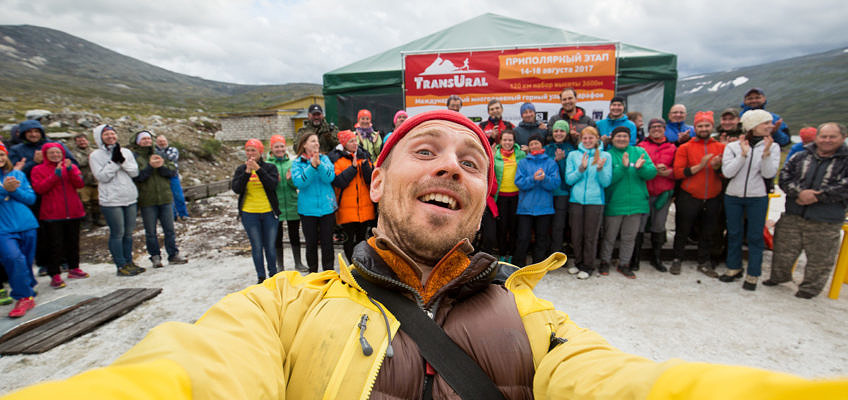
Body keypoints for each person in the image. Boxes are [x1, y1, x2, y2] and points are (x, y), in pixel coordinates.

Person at [5, 110, 847, 399]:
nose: (452, 165)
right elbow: (189, 371)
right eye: (427, 152)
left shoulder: (536, 316)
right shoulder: (280, 308)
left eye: (472, 161)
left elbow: (629, 383)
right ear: (380, 177)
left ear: (484, 197)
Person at [764, 122, 848, 299]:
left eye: (832, 137)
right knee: (783, 250)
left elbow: (844, 186)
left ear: (843, 138)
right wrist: (799, 193)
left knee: (820, 258)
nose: (826, 140)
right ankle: (778, 277)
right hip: (794, 212)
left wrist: (819, 196)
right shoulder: (800, 156)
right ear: (816, 137)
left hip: (826, 218)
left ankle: (809, 289)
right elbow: (785, 176)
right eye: (823, 136)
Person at [717, 110, 780, 291]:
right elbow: (728, 172)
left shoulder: (772, 147)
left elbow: (768, 174)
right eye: (765, 123)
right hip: (733, 196)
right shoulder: (734, 147)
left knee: (754, 236)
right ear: (753, 125)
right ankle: (733, 267)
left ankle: (753, 273)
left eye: (770, 123)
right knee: (734, 233)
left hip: (757, 197)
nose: (770, 126)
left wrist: (766, 153)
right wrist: (743, 156)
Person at [671, 111, 725, 276]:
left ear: (712, 127)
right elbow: (678, 172)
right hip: (689, 195)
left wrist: (717, 167)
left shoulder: (721, 147)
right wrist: (701, 166)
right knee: (682, 230)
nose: (703, 128)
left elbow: (727, 173)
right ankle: (677, 259)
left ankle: (704, 260)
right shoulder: (685, 147)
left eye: (706, 125)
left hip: (713, 196)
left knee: (709, 231)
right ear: (694, 128)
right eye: (700, 126)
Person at [30, 143, 90, 289]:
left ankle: (74, 268)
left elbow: (79, 184)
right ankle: (54, 274)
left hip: (73, 210)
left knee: (73, 242)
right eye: (52, 153)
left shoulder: (71, 167)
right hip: (52, 213)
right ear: (45, 155)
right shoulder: (38, 169)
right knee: (54, 245)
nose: (55, 155)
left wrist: (69, 170)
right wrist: (55, 175)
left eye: (58, 153)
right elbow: (40, 188)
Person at [599, 127, 657, 278]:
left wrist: (641, 168)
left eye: (625, 136)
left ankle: (624, 263)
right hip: (615, 202)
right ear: (613, 138)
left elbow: (652, 173)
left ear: (629, 138)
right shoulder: (608, 155)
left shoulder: (639, 152)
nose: (621, 139)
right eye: (618, 136)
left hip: (636, 203)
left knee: (629, 237)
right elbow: (608, 180)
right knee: (609, 236)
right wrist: (623, 168)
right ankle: (605, 261)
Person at [90, 124, 144, 276]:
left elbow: (134, 172)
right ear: (100, 137)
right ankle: (120, 265)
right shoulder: (95, 156)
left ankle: (129, 261)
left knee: (128, 232)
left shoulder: (125, 151)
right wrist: (114, 163)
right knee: (117, 232)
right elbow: (102, 177)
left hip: (129, 196)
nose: (111, 137)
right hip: (111, 200)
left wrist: (122, 160)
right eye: (106, 135)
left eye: (113, 134)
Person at [130, 130, 188, 268]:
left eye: (149, 139)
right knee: (151, 231)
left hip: (165, 197)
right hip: (147, 199)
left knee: (169, 229)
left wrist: (161, 166)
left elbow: (172, 171)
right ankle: (155, 256)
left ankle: (173, 254)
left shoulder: (160, 153)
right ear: (138, 141)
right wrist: (150, 167)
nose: (147, 141)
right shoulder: (135, 157)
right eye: (144, 139)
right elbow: (138, 176)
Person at [565, 126, 612, 279]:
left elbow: (606, 182)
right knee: (576, 235)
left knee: (590, 235)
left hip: (595, 201)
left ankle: (588, 265)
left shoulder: (605, 155)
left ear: (597, 139)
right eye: (585, 138)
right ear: (581, 139)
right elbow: (569, 179)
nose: (588, 141)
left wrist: (600, 169)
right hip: (576, 200)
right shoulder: (573, 155)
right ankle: (578, 262)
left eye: (591, 138)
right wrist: (581, 169)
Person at [231, 139, 280, 284]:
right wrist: (247, 172)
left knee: (270, 246)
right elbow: (237, 189)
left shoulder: (270, 167)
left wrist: (258, 169)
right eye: (248, 150)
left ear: (260, 152)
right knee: (257, 246)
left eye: (254, 150)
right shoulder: (241, 169)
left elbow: (272, 185)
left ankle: (273, 274)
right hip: (249, 213)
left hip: (268, 212)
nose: (250, 153)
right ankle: (261, 276)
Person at [0, 142, 38, 317]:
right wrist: (3, 191)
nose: (0, 158)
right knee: (13, 258)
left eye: (1, 154)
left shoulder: (17, 174)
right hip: (3, 228)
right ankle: (23, 296)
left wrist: (13, 191)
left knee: (26, 260)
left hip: (27, 224)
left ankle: (27, 287)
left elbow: (30, 199)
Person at [292, 131, 337, 273]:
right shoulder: (297, 163)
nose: (316, 144)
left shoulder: (325, 159)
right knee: (310, 244)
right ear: (304, 144)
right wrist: (311, 167)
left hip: (327, 209)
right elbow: (299, 182)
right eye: (312, 141)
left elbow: (330, 178)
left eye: (317, 141)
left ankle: (328, 274)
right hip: (308, 211)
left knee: (327, 244)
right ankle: (313, 273)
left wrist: (319, 165)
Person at [512, 135, 559, 267]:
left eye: (536, 143)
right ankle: (518, 265)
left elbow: (555, 184)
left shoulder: (551, 163)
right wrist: (533, 179)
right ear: (529, 147)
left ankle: (538, 265)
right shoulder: (523, 163)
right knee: (523, 238)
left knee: (541, 238)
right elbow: (519, 183)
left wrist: (544, 179)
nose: (534, 146)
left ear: (542, 145)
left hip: (544, 208)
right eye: (531, 144)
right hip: (525, 208)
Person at [329, 130, 375, 263]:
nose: (354, 143)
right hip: (346, 207)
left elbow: (371, 179)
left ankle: (362, 265)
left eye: (355, 140)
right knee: (349, 239)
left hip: (364, 206)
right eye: (351, 141)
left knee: (362, 239)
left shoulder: (364, 155)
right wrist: (353, 168)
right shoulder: (336, 159)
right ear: (344, 144)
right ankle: (351, 264)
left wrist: (365, 166)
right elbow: (338, 181)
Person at [638, 118, 676, 272]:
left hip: (663, 192)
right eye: (653, 127)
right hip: (644, 192)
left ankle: (656, 257)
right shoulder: (641, 146)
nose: (656, 129)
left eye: (660, 127)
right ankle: (636, 257)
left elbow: (678, 169)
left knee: (658, 225)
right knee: (640, 225)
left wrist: (669, 172)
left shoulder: (672, 148)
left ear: (665, 129)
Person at [267, 135, 305, 272]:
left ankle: (298, 263)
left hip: (292, 203)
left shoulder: (292, 163)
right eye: (276, 146)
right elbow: (268, 186)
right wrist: (275, 181)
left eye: (282, 146)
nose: (279, 149)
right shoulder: (268, 164)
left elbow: (296, 184)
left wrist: (289, 180)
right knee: (277, 237)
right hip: (276, 206)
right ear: (271, 148)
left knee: (294, 235)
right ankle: (280, 265)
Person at [544, 120, 576, 257]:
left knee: (559, 225)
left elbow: (567, 175)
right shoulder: (546, 149)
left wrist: (561, 161)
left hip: (562, 192)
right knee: (545, 225)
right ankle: (544, 253)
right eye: (556, 131)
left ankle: (556, 254)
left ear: (566, 133)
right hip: (547, 193)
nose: (558, 133)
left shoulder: (571, 149)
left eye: (562, 131)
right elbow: (544, 169)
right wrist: (555, 161)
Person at [493, 129, 525, 262]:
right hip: (500, 197)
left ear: (514, 141)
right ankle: (501, 254)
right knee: (502, 227)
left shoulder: (521, 154)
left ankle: (511, 254)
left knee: (513, 227)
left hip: (516, 196)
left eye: (510, 140)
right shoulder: (495, 154)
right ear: (500, 141)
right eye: (505, 140)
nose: (507, 142)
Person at [8, 119, 78, 178]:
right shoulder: (16, 150)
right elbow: (12, 173)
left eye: (36, 131)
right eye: (29, 131)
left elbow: (74, 164)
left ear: (41, 133)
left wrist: (56, 162)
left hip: (59, 186)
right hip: (32, 188)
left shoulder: (57, 145)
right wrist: (34, 162)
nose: (33, 134)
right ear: (23, 134)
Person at [68, 133, 101, 229]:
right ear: (76, 143)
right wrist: (89, 159)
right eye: (79, 141)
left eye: (83, 140)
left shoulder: (94, 151)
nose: (82, 142)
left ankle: (97, 219)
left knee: (97, 201)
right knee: (85, 203)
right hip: (83, 182)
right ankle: (87, 221)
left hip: (96, 181)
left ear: (87, 141)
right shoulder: (73, 153)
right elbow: (77, 163)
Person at [154, 135, 189, 221]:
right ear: (156, 142)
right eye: (160, 141)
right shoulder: (154, 151)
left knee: (178, 196)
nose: (162, 143)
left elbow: (170, 159)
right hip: (161, 177)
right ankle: (172, 216)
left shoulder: (173, 150)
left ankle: (183, 214)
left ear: (167, 141)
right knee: (167, 198)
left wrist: (159, 160)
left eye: (163, 141)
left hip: (173, 176)